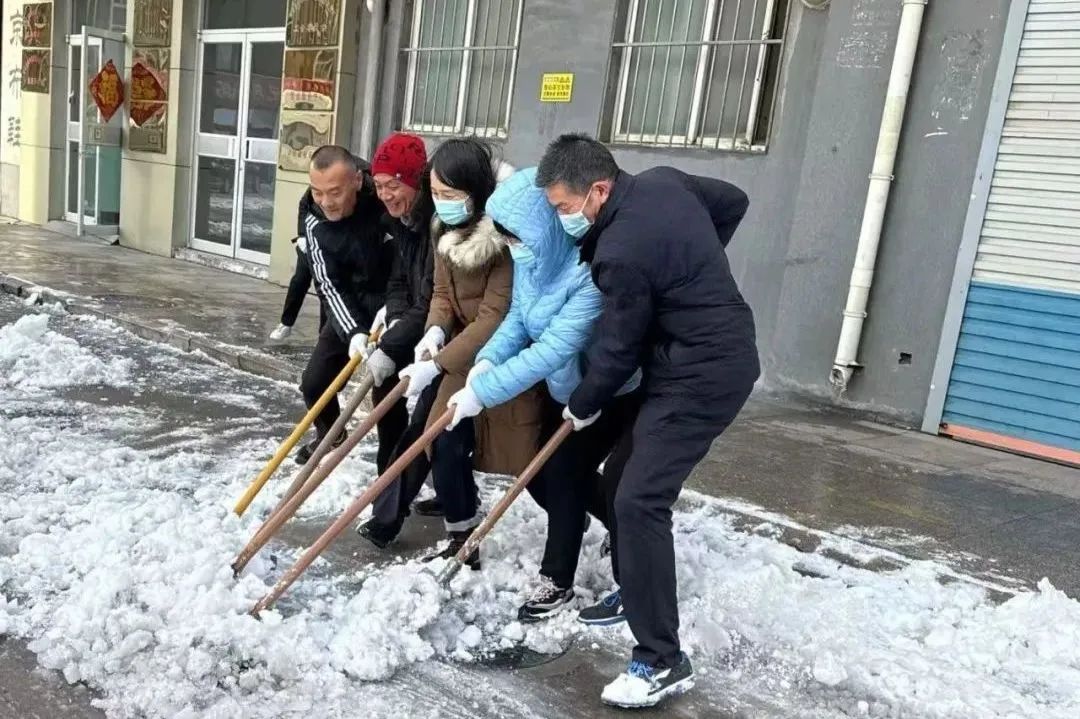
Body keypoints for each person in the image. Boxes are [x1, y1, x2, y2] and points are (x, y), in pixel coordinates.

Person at [536, 133, 759, 709]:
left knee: (638, 501)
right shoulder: (664, 180)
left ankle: (662, 658)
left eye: (565, 207)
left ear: (599, 190)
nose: (563, 218)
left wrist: (582, 403)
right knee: (619, 482)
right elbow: (733, 200)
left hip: (703, 374)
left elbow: (617, 349)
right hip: (691, 355)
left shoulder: (621, 253)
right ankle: (635, 587)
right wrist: (694, 270)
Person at [446, 167, 639, 612]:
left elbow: (554, 348)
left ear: (543, 227)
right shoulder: (533, 258)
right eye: (507, 238)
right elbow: (518, 317)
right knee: (541, 472)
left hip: (609, 390)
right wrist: (488, 361)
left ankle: (557, 580)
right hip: (567, 386)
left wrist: (484, 392)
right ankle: (620, 524)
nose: (513, 246)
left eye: (518, 237)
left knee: (565, 470)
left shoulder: (588, 273)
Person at [361, 139, 541, 556]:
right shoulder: (441, 225)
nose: (441, 204)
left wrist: (438, 364)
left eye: (451, 196)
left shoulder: (503, 239)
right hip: (457, 347)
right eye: (437, 194)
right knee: (440, 440)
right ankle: (462, 534)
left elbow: (496, 315)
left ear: (476, 192)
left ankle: (590, 514)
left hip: (496, 352)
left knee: (535, 468)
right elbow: (441, 292)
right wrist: (434, 331)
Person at [294, 146, 393, 465]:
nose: (326, 201)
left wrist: (396, 305)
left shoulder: (382, 198)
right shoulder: (312, 215)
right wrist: (352, 331)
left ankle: (393, 473)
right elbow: (327, 283)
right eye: (318, 191)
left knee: (386, 394)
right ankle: (331, 436)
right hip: (347, 301)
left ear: (357, 180)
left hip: (393, 302)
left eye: (334, 192)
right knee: (314, 383)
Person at [362, 132, 437, 479]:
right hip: (411, 325)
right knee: (384, 388)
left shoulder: (437, 227)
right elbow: (398, 282)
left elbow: (433, 298)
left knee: (434, 421)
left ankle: (393, 495)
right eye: (378, 185)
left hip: (441, 332)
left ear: (415, 181)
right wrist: (393, 322)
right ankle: (385, 478)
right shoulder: (401, 222)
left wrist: (392, 344)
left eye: (392, 184)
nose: (385, 194)